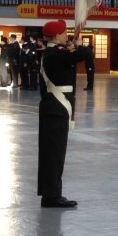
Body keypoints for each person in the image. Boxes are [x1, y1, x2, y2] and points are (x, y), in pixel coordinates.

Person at [37, 20, 88, 207]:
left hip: (54, 108)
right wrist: (78, 45)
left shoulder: (51, 53)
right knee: (54, 155)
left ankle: (50, 194)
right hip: (56, 108)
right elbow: (86, 55)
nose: (67, 35)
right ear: (57, 36)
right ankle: (52, 197)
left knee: (52, 154)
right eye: (65, 32)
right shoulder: (55, 54)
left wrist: (71, 47)